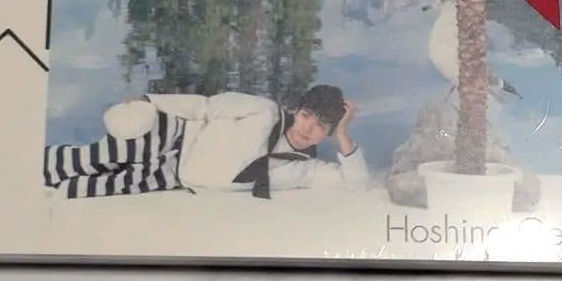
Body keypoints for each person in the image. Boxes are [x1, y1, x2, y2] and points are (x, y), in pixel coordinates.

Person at [44, 84, 369, 199]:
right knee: (85, 159)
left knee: (87, 189)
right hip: (171, 135)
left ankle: (33, 195)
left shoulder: (305, 170)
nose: (308, 129)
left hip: (175, 176)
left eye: (322, 126)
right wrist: (149, 101)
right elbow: (206, 106)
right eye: (307, 115)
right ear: (298, 110)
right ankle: (25, 163)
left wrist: (344, 132)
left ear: (328, 133)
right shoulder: (264, 111)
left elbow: (357, 184)